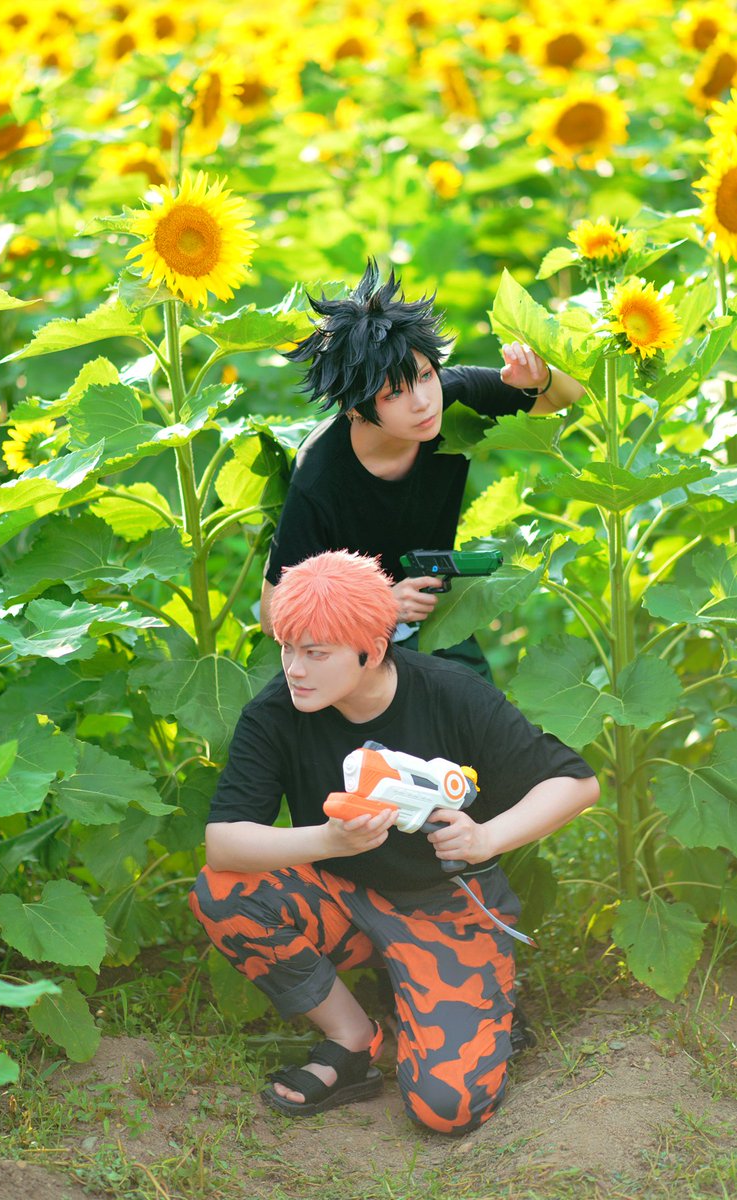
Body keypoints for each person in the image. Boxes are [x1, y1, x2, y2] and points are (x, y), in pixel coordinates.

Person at [190, 550, 599, 1134]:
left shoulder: (450, 693)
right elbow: (224, 844)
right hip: (342, 893)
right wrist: (329, 840)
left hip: (446, 906)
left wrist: (485, 837)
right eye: (287, 648)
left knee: (447, 1109)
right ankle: (351, 1038)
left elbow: (576, 784)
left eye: (316, 653)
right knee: (224, 891)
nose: (295, 669)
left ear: (373, 649)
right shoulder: (276, 712)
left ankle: (469, 995)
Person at [258, 259, 584, 679]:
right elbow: (273, 614)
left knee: (479, 710)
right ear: (354, 407)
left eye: (427, 375)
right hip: (350, 640)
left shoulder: (453, 396)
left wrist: (540, 378)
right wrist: (380, 604)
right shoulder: (322, 473)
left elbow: (566, 397)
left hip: (433, 615)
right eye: (394, 394)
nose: (423, 402)